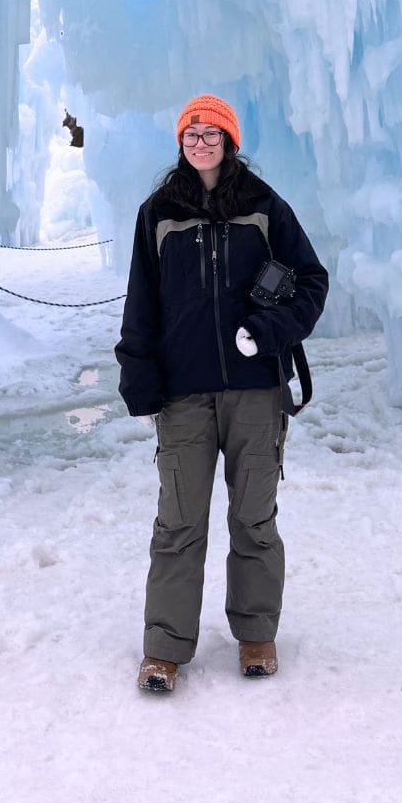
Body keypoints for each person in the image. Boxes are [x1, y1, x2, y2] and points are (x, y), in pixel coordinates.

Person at [115, 93, 328, 693]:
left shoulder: (264, 207)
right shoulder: (158, 212)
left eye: (212, 132)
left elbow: (311, 281)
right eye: (191, 132)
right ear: (180, 142)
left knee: (254, 517)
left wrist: (267, 333)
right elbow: (142, 303)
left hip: (256, 393)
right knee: (178, 523)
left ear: (230, 140)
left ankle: (257, 636)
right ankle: (164, 647)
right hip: (185, 395)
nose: (201, 141)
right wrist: (140, 375)